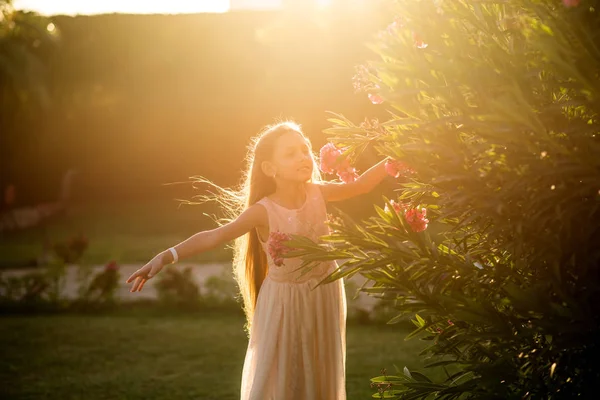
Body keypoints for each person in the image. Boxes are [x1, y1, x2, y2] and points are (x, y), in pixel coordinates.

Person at [126, 121, 390, 400]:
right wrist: (166, 255)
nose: (303, 157)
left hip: (324, 294)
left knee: (319, 369)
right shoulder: (263, 211)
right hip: (285, 304)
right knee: (283, 376)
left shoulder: (319, 193)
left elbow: (361, 185)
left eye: (305, 149)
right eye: (290, 153)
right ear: (269, 168)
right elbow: (215, 236)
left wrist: (397, 156)